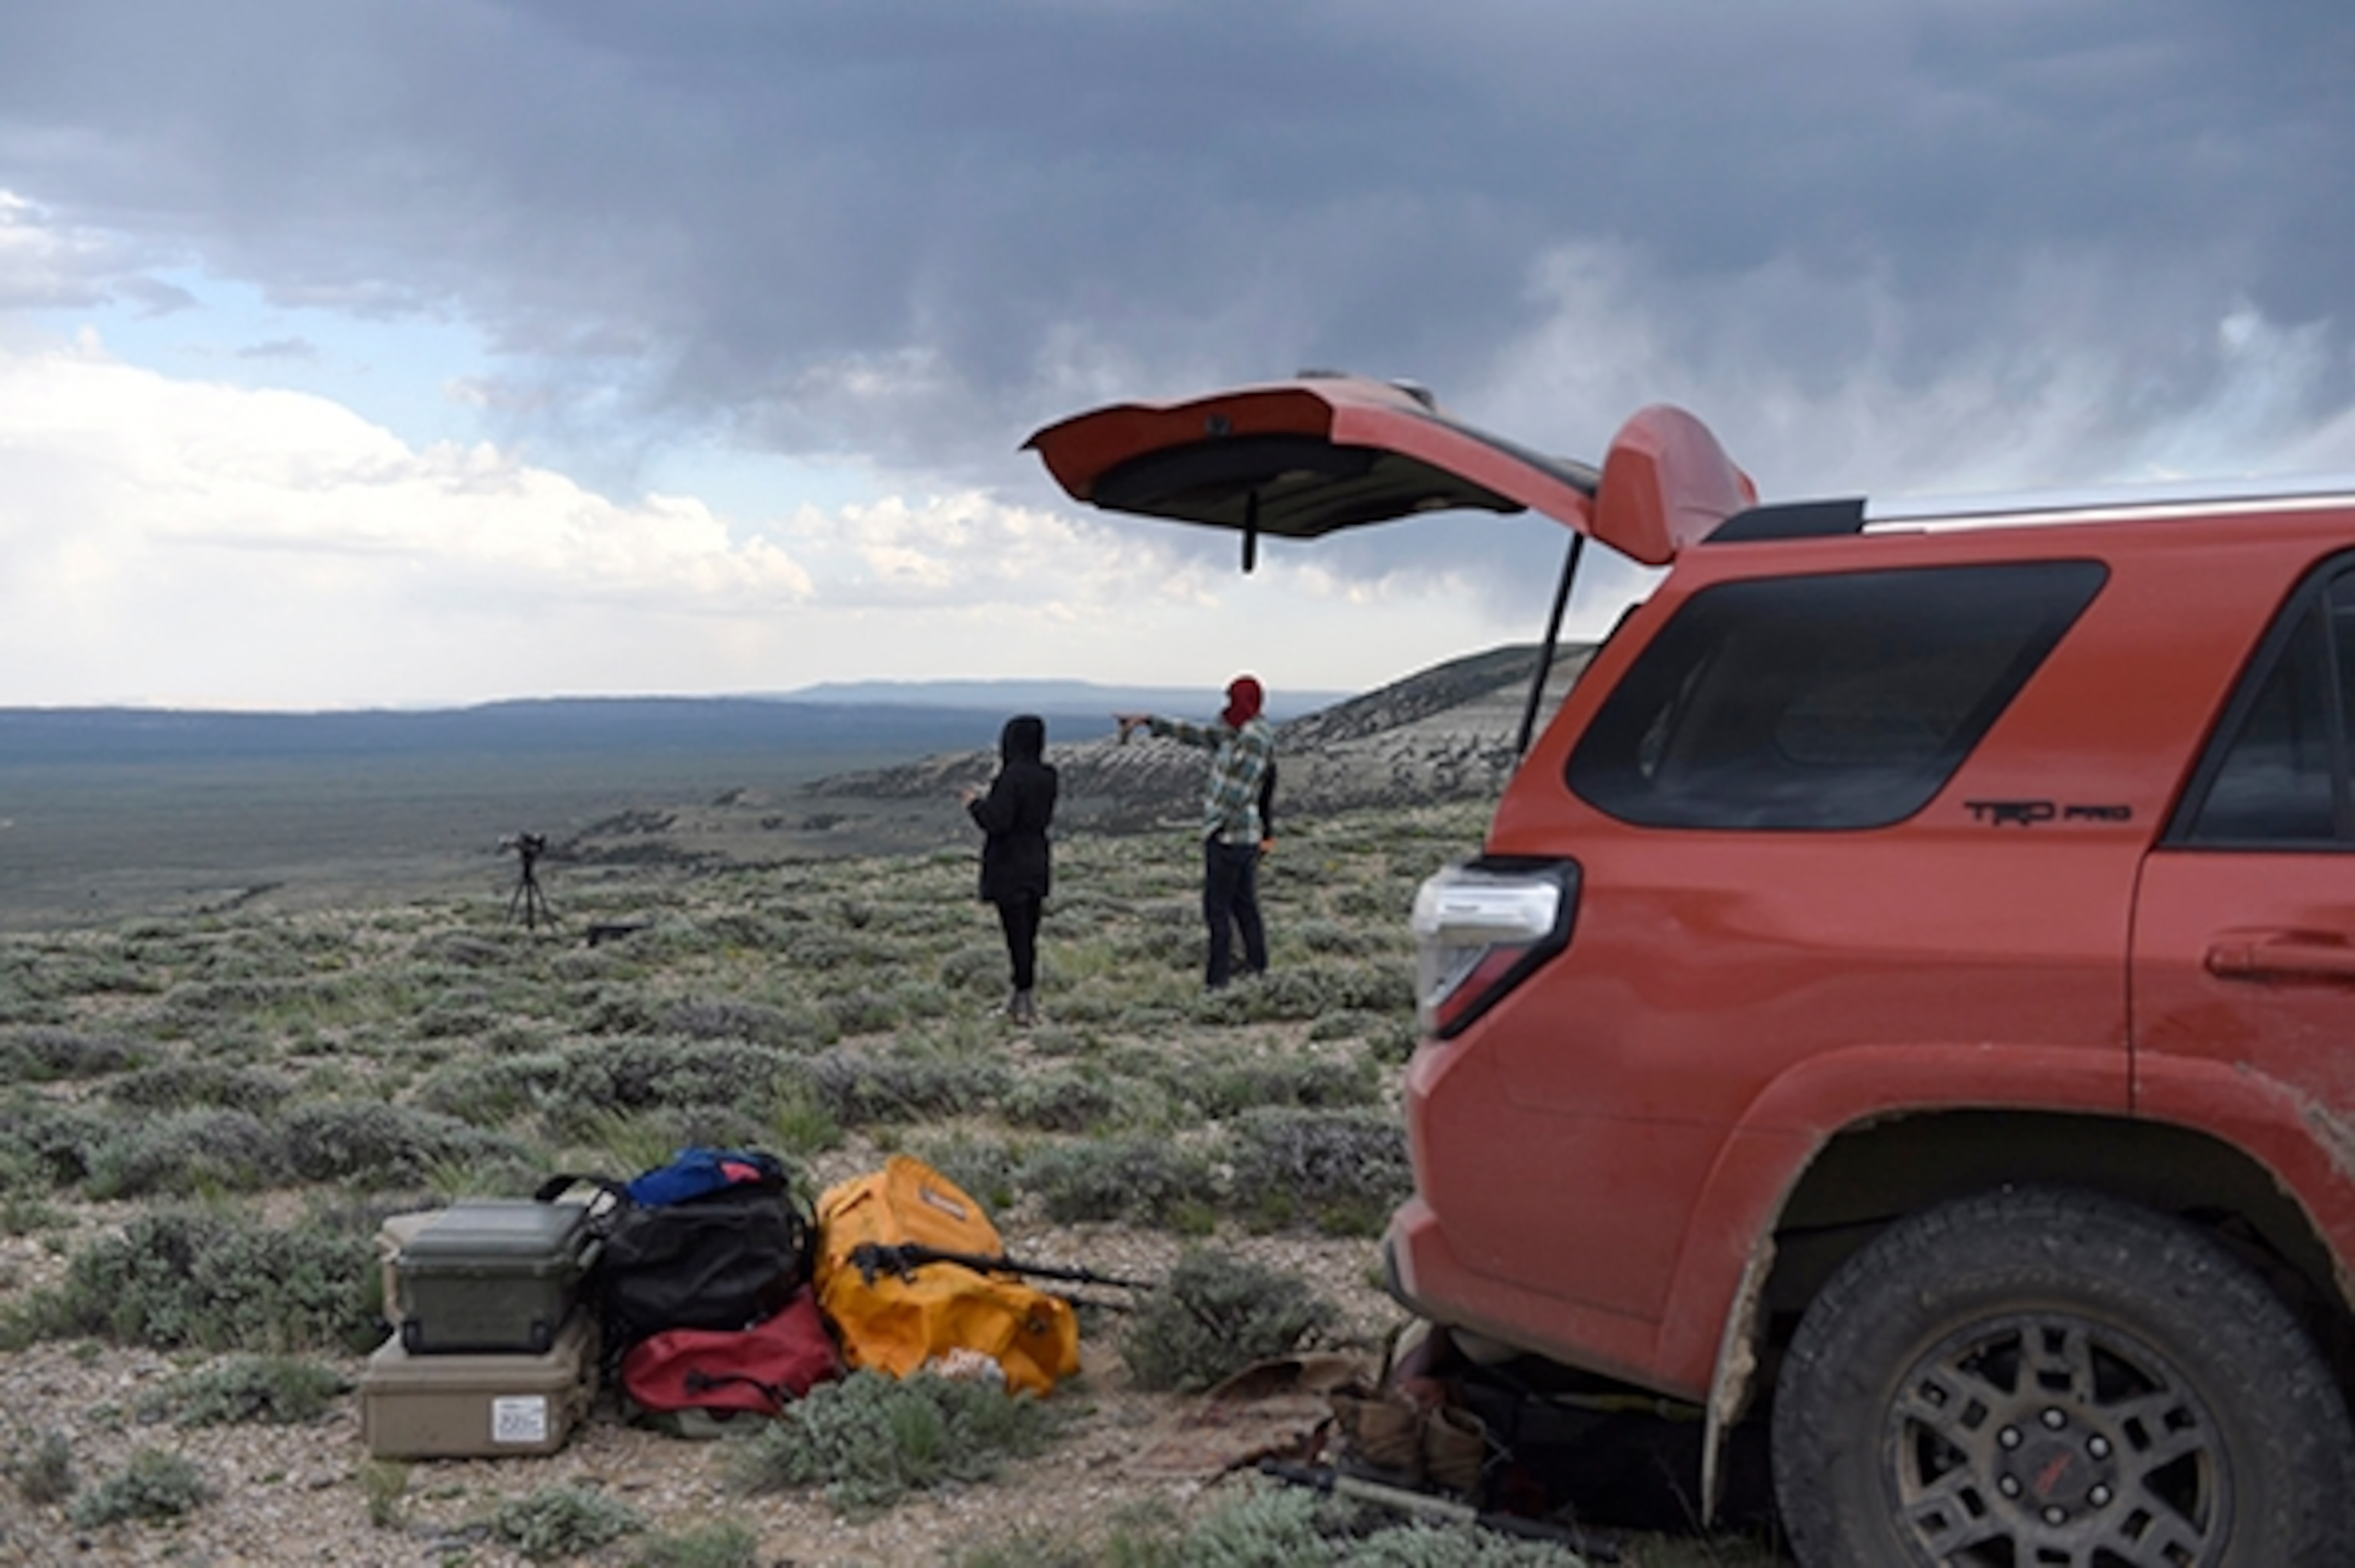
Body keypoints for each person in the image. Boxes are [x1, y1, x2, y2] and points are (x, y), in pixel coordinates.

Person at [1116, 675, 1276, 989]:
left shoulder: (1254, 737)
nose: (1228, 706)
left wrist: (1214, 825)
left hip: (1230, 837)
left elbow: (1240, 789)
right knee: (1244, 908)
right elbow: (1197, 734)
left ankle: (1219, 982)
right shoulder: (1236, 732)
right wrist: (1150, 722)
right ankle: (1254, 972)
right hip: (1237, 837)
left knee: (1218, 911)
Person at [961, 713, 1057, 1025]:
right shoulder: (1048, 775)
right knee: (1027, 934)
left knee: (1015, 935)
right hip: (1037, 859)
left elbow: (997, 821)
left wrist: (974, 803)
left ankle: (1023, 1004)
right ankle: (1021, 1001)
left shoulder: (1011, 777)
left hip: (1009, 863)